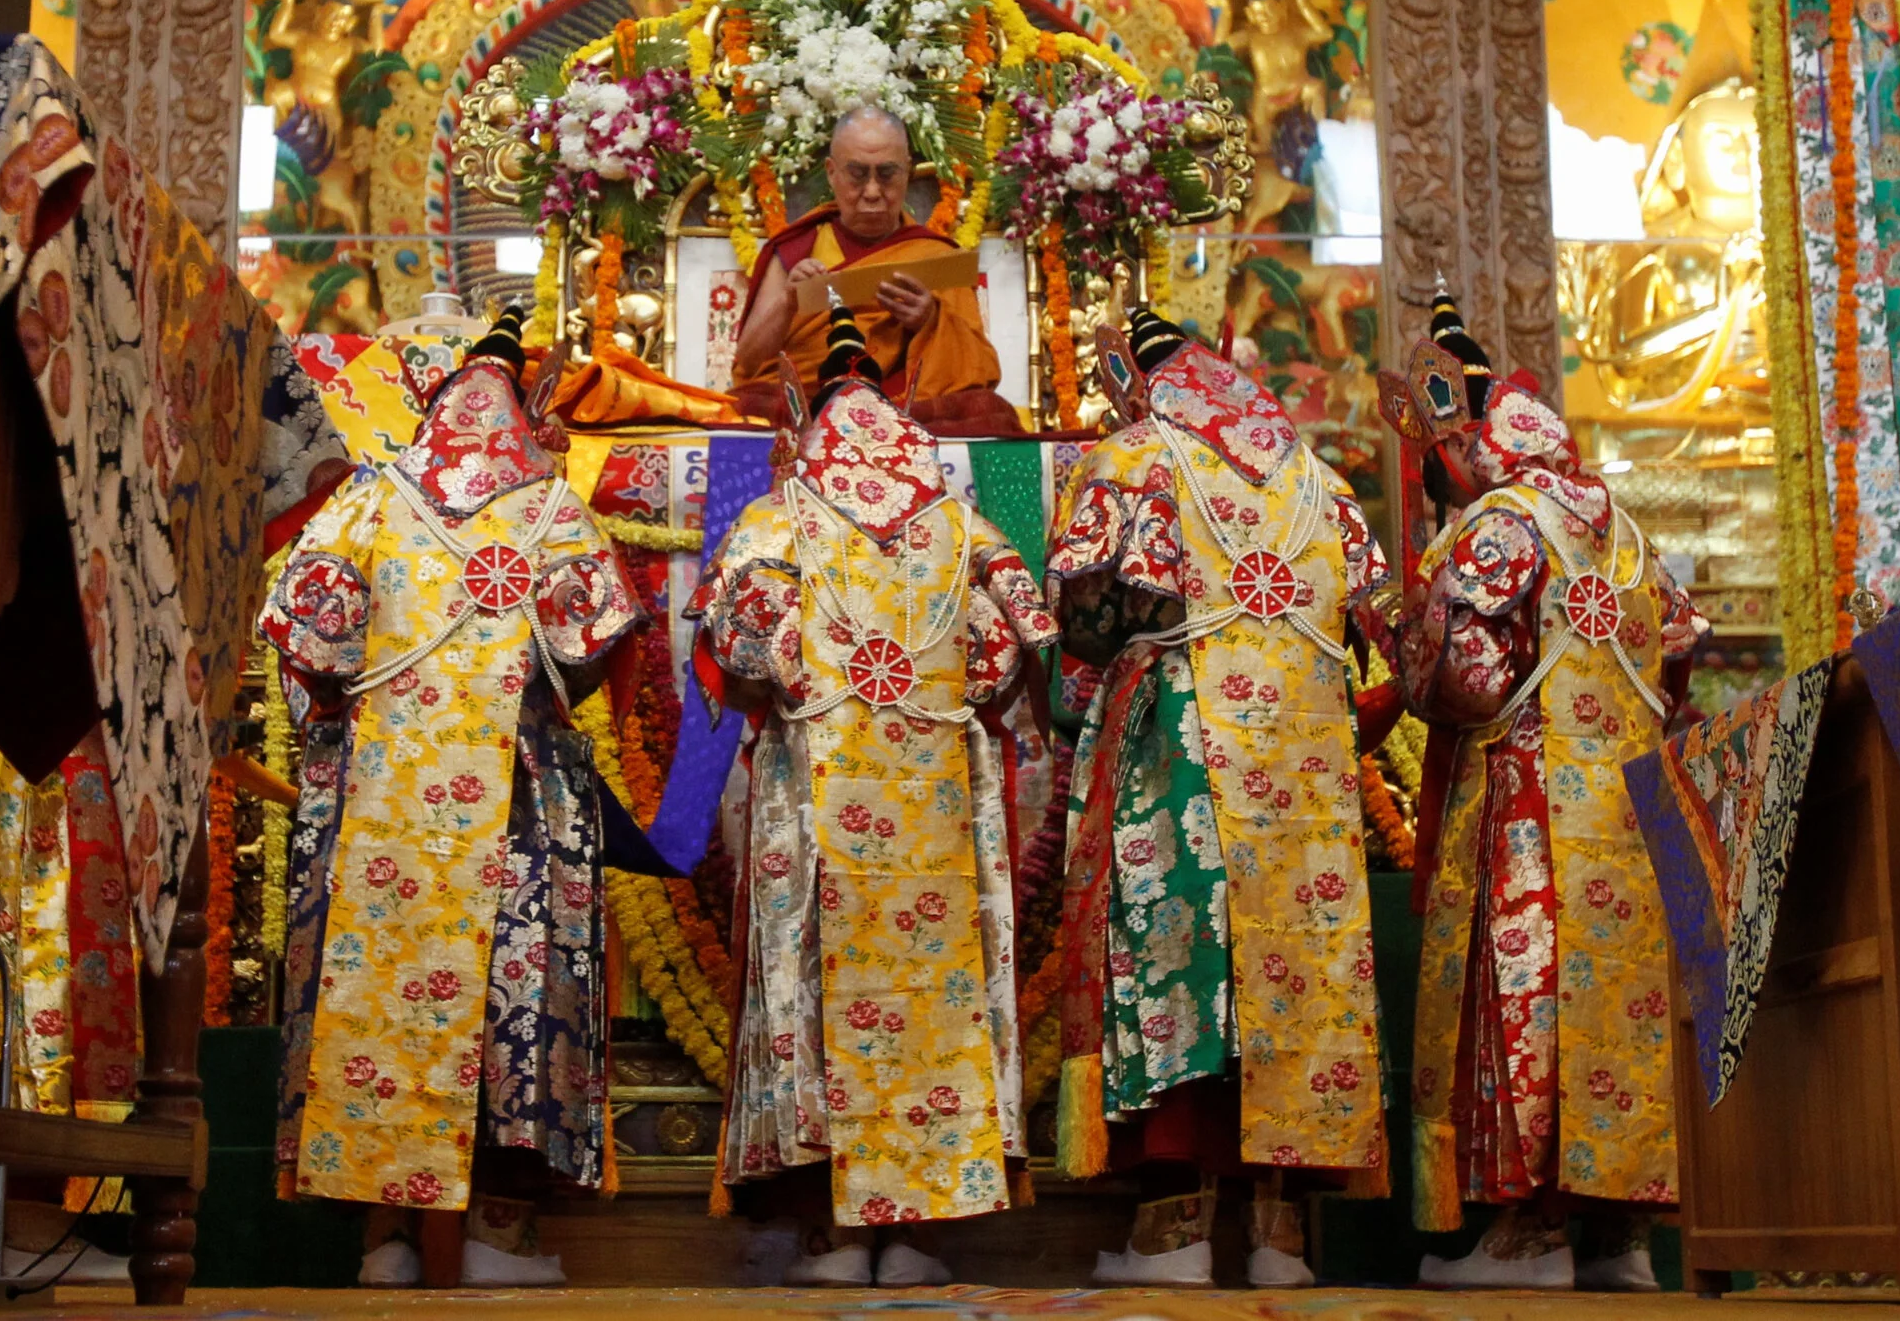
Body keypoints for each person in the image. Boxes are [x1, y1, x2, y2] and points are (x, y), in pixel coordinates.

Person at [260, 305, 652, 1288]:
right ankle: (495, 1229)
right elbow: (593, 646)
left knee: (380, 989)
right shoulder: (552, 507)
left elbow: (303, 633)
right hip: (511, 806)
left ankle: (383, 1236)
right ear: (518, 411)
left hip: (380, 803)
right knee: (508, 1001)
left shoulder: (372, 495)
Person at [689, 307, 1057, 1286]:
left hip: (820, 792)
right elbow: (1005, 650)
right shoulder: (962, 526)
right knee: (939, 999)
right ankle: (921, 1231)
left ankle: (836, 1232)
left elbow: (740, 644)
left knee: (812, 981)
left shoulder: (777, 520)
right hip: (937, 799)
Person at [1046, 306, 1396, 1289]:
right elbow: (1376, 622)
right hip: (1307, 758)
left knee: (1185, 959)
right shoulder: (1318, 477)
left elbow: (1085, 612)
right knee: (1299, 968)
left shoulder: (1135, 458)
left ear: (1134, 377)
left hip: (1186, 735)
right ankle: (1280, 1236)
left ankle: (1176, 1230)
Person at [1379, 307, 1708, 1292]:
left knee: (1524, 999)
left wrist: (1412, 656)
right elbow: (1683, 644)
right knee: (1621, 1010)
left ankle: (1528, 1235)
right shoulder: (1624, 530)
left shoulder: (1499, 527)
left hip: (1527, 805)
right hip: (1625, 811)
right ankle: (1620, 1241)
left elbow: (1466, 676)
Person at [732, 106, 1016, 432]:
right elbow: (747, 364)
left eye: (886, 174)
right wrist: (788, 302)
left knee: (986, 409)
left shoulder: (935, 256)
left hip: (901, 404)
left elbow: (978, 370)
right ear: (831, 172)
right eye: (857, 174)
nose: (871, 192)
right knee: (752, 403)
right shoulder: (797, 247)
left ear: (907, 171)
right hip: (810, 401)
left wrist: (930, 321)